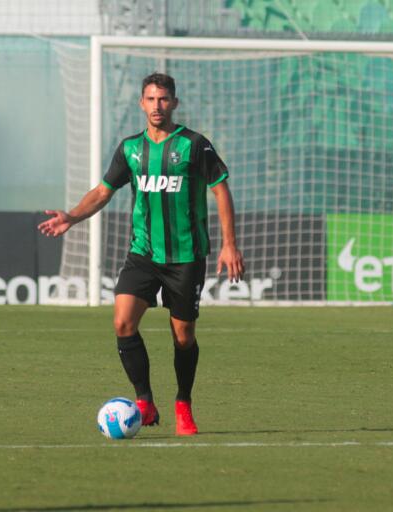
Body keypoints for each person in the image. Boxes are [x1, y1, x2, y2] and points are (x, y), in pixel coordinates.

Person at [38, 72, 244, 436]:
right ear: (141, 103)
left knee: (183, 337)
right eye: (150, 99)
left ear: (174, 103)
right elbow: (103, 191)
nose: (157, 106)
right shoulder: (130, 149)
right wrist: (71, 216)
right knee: (122, 322)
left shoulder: (195, 145)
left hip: (185, 256)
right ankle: (145, 401)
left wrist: (229, 244)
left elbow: (220, 189)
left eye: (163, 99)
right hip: (143, 253)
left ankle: (183, 403)